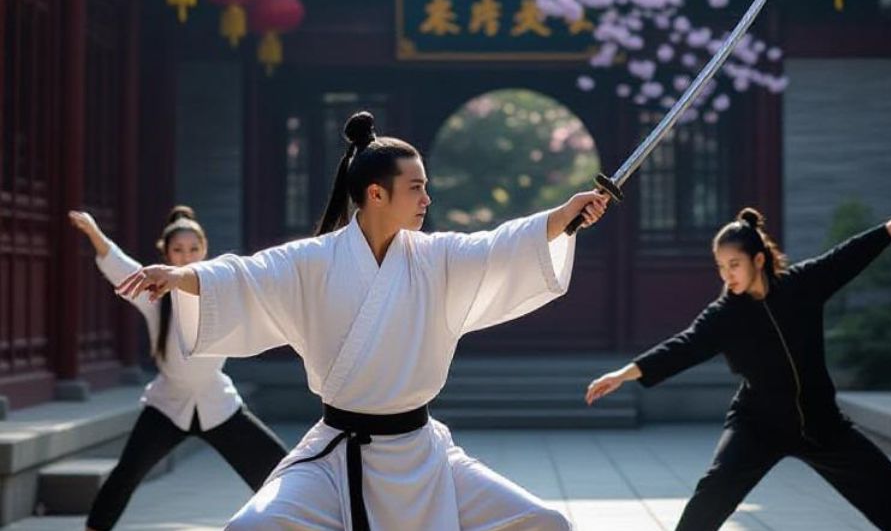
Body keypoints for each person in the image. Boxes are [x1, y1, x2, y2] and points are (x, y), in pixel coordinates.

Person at [117, 111, 609, 531]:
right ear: (376, 194)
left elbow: (498, 247)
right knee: (252, 526)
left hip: (423, 454)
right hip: (337, 455)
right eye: (415, 188)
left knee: (546, 522)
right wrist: (181, 276)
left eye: (426, 188)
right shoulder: (314, 261)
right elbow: (247, 274)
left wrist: (562, 216)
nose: (426, 199)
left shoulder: (436, 257)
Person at [585, 206, 891, 531]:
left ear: (759, 259)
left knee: (883, 480)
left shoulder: (801, 286)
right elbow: (683, 346)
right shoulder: (724, 315)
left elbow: (842, 260)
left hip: (820, 422)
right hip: (759, 424)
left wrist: (889, 229)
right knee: (714, 490)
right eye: (720, 266)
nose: (726, 275)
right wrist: (624, 373)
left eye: (734, 264)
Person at [69, 206, 287, 531]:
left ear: (205, 249)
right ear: (166, 254)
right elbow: (120, 267)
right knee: (126, 475)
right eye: (178, 250)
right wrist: (94, 233)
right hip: (167, 405)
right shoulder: (155, 293)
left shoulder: (223, 288)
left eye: (193, 249)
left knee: (279, 469)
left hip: (218, 404)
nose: (187, 257)